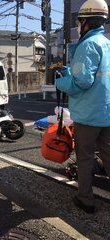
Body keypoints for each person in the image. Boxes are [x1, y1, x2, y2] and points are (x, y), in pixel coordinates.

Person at [56, 0, 110, 214]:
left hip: (88, 115)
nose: (78, 26)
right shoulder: (106, 43)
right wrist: (71, 73)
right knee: (107, 154)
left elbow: (82, 82)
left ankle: (85, 199)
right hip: (106, 112)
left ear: (86, 21)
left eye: (79, 22)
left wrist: (60, 82)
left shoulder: (86, 45)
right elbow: (95, 77)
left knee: (85, 158)